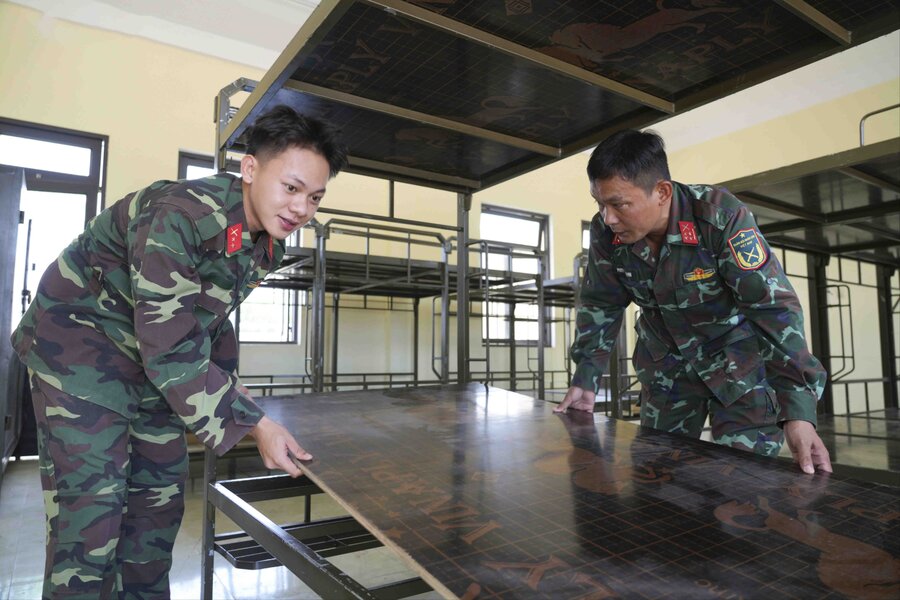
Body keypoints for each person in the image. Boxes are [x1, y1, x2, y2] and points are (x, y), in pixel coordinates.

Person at [10, 104, 347, 598]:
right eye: (291, 188)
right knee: (91, 523)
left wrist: (228, 384)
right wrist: (254, 421)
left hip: (148, 360)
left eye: (315, 197)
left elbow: (208, 317)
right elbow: (168, 343)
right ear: (250, 168)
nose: (301, 208)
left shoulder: (266, 241)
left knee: (156, 511)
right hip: (79, 352)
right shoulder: (180, 214)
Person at [555, 129, 832, 475]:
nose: (607, 217)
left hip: (739, 372)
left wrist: (797, 410)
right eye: (599, 203)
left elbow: (772, 309)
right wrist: (586, 376)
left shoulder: (720, 218)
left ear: (662, 192)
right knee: (657, 484)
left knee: (744, 492)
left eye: (618, 204)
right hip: (667, 374)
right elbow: (601, 304)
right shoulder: (606, 233)